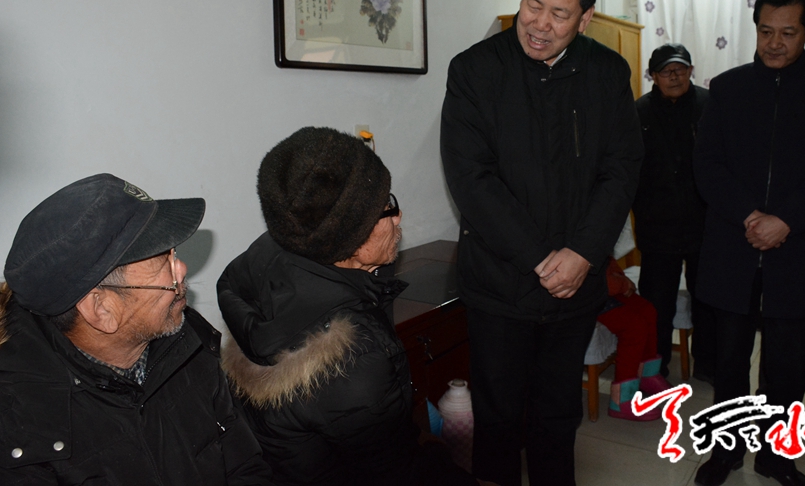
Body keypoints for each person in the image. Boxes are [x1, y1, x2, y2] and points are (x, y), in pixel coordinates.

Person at [440, 0, 643, 486]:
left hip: (576, 286)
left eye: (559, 13)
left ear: (586, 17)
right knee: (498, 419)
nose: (540, 24)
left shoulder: (607, 73)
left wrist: (583, 253)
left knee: (557, 415)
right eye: (534, 4)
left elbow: (621, 171)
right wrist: (541, 259)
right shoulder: (475, 70)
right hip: (500, 283)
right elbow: (472, 179)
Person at [217, 127, 480, 486]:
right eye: (386, 209)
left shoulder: (270, 260)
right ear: (351, 240)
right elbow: (395, 473)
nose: (398, 217)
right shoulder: (353, 359)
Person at [0, 174, 272, 485]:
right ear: (102, 310)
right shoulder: (18, 431)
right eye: (163, 262)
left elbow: (244, 466)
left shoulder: (187, 340)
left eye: (173, 252)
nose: (181, 269)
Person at [692, 0, 805, 486]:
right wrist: (749, 216)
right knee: (728, 360)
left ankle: (776, 455)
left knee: (789, 363)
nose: (775, 43)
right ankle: (726, 451)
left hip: (797, 249)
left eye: (787, 33)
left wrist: (785, 220)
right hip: (733, 246)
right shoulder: (728, 88)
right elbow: (708, 165)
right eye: (766, 32)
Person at [632, 43, 716, 383]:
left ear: (691, 71)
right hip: (657, 227)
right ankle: (657, 370)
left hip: (705, 224)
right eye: (667, 71)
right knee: (657, 305)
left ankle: (707, 364)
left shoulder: (710, 104)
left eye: (681, 69)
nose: (675, 76)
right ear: (653, 76)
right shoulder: (638, 112)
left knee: (708, 301)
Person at [598, 258, 669, 421]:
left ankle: (647, 375)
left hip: (604, 284)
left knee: (647, 310)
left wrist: (618, 276)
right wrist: (621, 283)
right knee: (633, 326)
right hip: (585, 293)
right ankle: (621, 400)